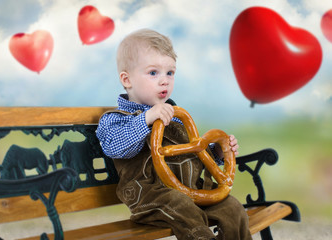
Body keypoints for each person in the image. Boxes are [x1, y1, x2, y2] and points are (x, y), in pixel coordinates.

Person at [96, 28, 252, 240]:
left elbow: (191, 153)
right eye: (153, 73)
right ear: (127, 80)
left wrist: (216, 153)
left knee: (231, 206)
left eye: (170, 73)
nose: (165, 80)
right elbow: (115, 147)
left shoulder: (176, 117)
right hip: (153, 197)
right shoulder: (116, 119)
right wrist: (146, 119)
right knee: (182, 209)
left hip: (191, 190)